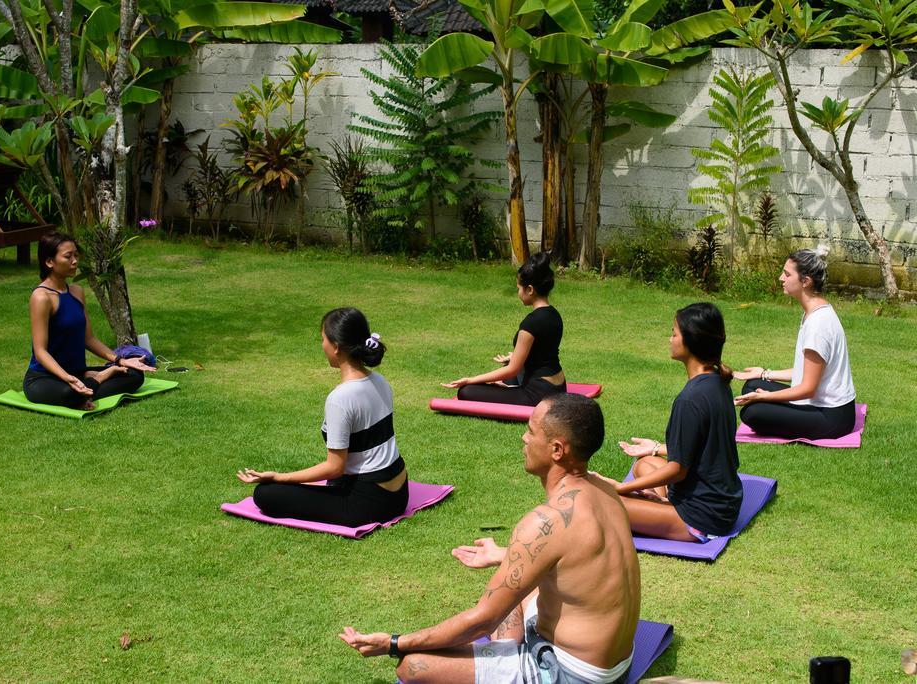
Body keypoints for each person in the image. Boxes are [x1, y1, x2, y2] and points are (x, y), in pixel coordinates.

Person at [340, 394, 641, 684]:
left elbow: (483, 621)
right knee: (518, 586)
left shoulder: (544, 521)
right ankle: (507, 656)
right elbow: (581, 557)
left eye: (531, 431)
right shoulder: (607, 492)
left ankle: (510, 661)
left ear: (557, 450)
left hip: (570, 673)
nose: (524, 438)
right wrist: (504, 555)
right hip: (616, 663)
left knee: (413, 665)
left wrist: (395, 643)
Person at [237, 307, 409, 527]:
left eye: (323, 340)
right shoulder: (380, 381)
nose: (322, 345)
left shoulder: (340, 398)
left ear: (336, 347)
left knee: (265, 493)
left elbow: (335, 467)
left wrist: (279, 476)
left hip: (370, 504)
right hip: (399, 493)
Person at [610, 303, 742, 543]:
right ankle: (656, 502)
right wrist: (654, 448)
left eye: (674, 333)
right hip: (722, 501)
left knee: (600, 501)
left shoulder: (689, 400)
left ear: (690, 341)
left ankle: (656, 505)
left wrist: (622, 488)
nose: (670, 339)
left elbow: (677, 471)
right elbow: (703, 449)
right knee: (645, 463)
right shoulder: (718, 382)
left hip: (702, 517)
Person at [733, 246, 856, 440]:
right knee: (753, 384)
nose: (781, 278)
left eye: (787, 274)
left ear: (805, 281)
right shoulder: (814, 311)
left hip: (833, 417)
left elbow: (808, 388)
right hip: (820, 403)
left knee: (752, 412)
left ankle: (762, 401)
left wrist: (765, 397)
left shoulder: (818, 325)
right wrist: (765, 373)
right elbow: (805, 371)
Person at [24, 232, 154, 410]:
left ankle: (85, 388)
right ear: (49, 262)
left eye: (76, 255)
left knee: (135, 375)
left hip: (78, 373)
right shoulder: (41, 297)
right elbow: (40, 351)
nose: (75, 261)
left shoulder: (77, 292)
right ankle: (96, 380)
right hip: (44, 377)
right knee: (69, 394)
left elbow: (88, 338)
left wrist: (120, 361)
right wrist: (68, 378)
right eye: (68, 256)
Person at [443, 252, 566, 407]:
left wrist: (470, 379)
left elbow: (512, 370)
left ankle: (509, 389)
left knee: (466, 391)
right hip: (558, 387)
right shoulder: (554, 315)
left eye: (518, 288)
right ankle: (509, 388)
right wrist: (515, 357)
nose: (518, 293)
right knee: (506, 374)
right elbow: (544, 351)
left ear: (529, 289)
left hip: (538, 395)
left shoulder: (530, 323)